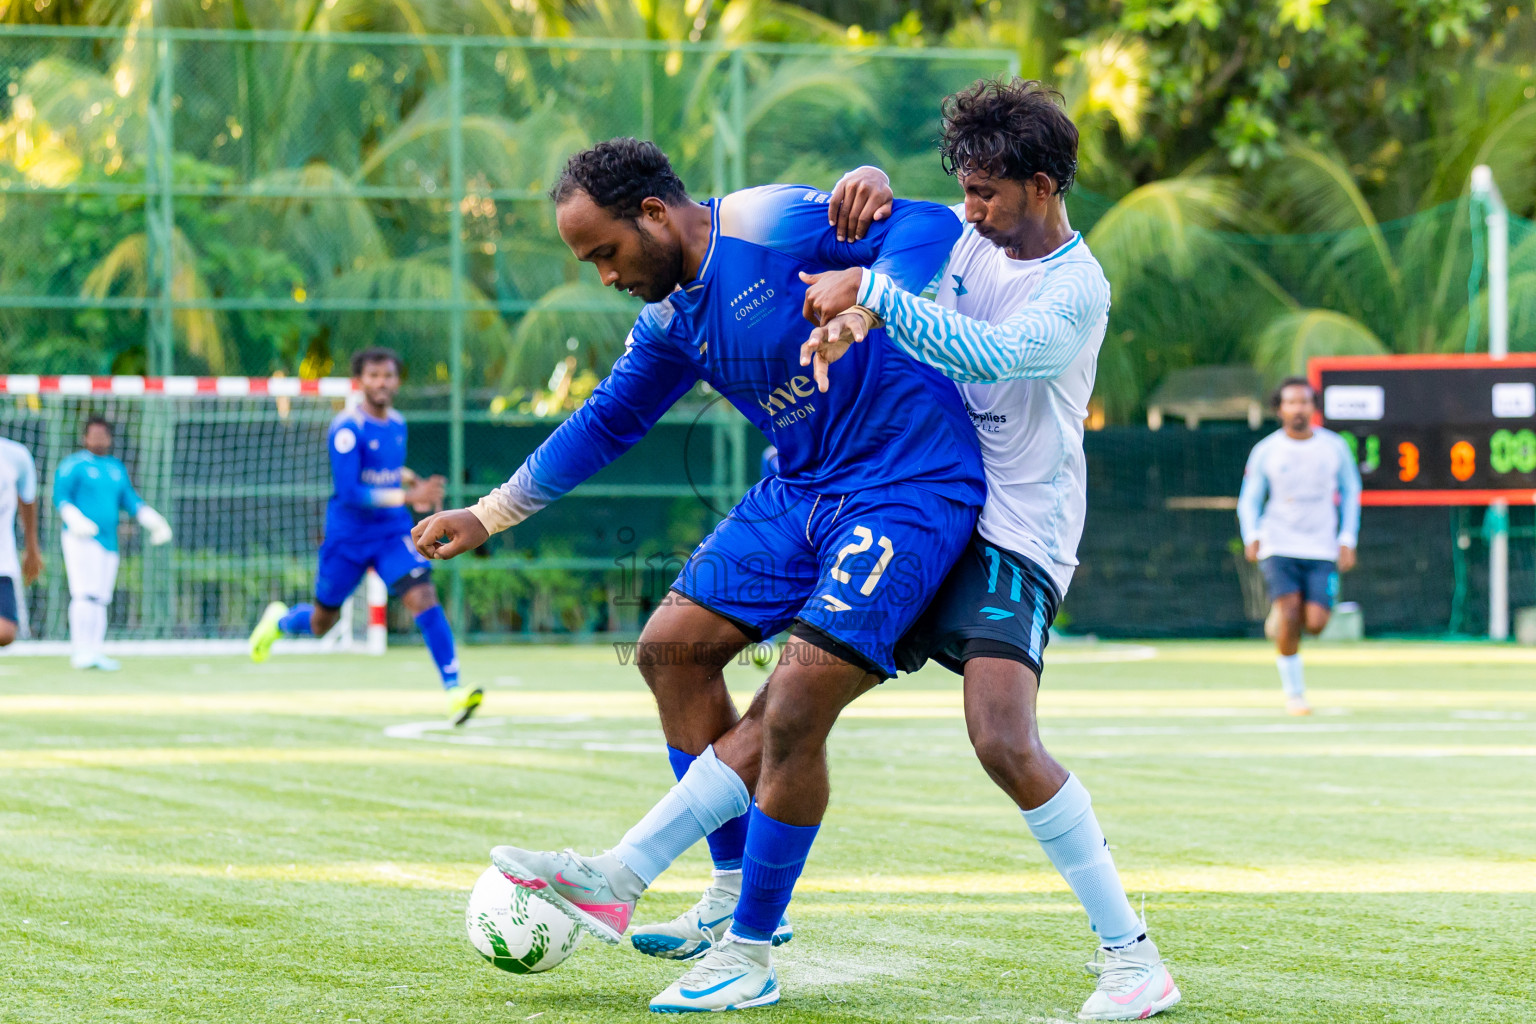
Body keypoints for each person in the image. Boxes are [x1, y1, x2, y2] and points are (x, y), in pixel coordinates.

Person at [411, 137, 984, 1012]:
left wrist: (869, 305)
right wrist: (488, 515)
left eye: (604, 251)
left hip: (906, 482)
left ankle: (744, 949)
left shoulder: (772, 220)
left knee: (792, 707)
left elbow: (931, 224)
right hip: (799, 490)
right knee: (669, 650)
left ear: (653, 213)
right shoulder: (671, 320)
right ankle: (725, 895)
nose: (602, 275)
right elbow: (604, 424)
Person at [247, 348, 479, 724]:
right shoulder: (346, 427)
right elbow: (351, 490)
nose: (381, 382)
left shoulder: (398, 423)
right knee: (323, 623)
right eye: (373, 376)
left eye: (387, 375)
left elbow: (385, 467)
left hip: (390, 533)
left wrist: (411, 480)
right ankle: (279, 622)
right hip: (347, 538)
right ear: (360, 382)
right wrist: (410, 495)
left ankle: (455, 691)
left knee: (422, 594)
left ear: (397, 380)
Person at [1237, 377, 1361, 715]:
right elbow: (1249, 500)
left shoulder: (1334, 447)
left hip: (1321, 546)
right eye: (1291, 402)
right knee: (1291, 612)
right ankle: (1295, 694)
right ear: (1280, 409)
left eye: (1304, 402)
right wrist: (1252, 535)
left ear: (1313, 407)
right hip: (1279, 543)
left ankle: (1282, 619)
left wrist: (1347, 538)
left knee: (1317, 623)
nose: (1298, 408)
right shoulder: (1266, 450)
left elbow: (1351, 493)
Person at [53, 417, 174, 670]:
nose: (98, 439)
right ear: (85, 437)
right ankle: (80, 649)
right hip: (81, 539)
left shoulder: (115, 468)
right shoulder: (74, 465)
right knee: (84, 593)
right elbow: (60, 497)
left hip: (109, 541)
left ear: (109, 438)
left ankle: (95, 650)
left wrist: (154, 521)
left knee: (101, 597)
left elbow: (131, 501)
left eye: (103, 434)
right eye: (93, 434)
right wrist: (75, 520)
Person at [0, 435, 43, 647]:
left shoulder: (15, 455)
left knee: (6, 633)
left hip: (2, 559)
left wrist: (32, 549)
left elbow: (28, 500)